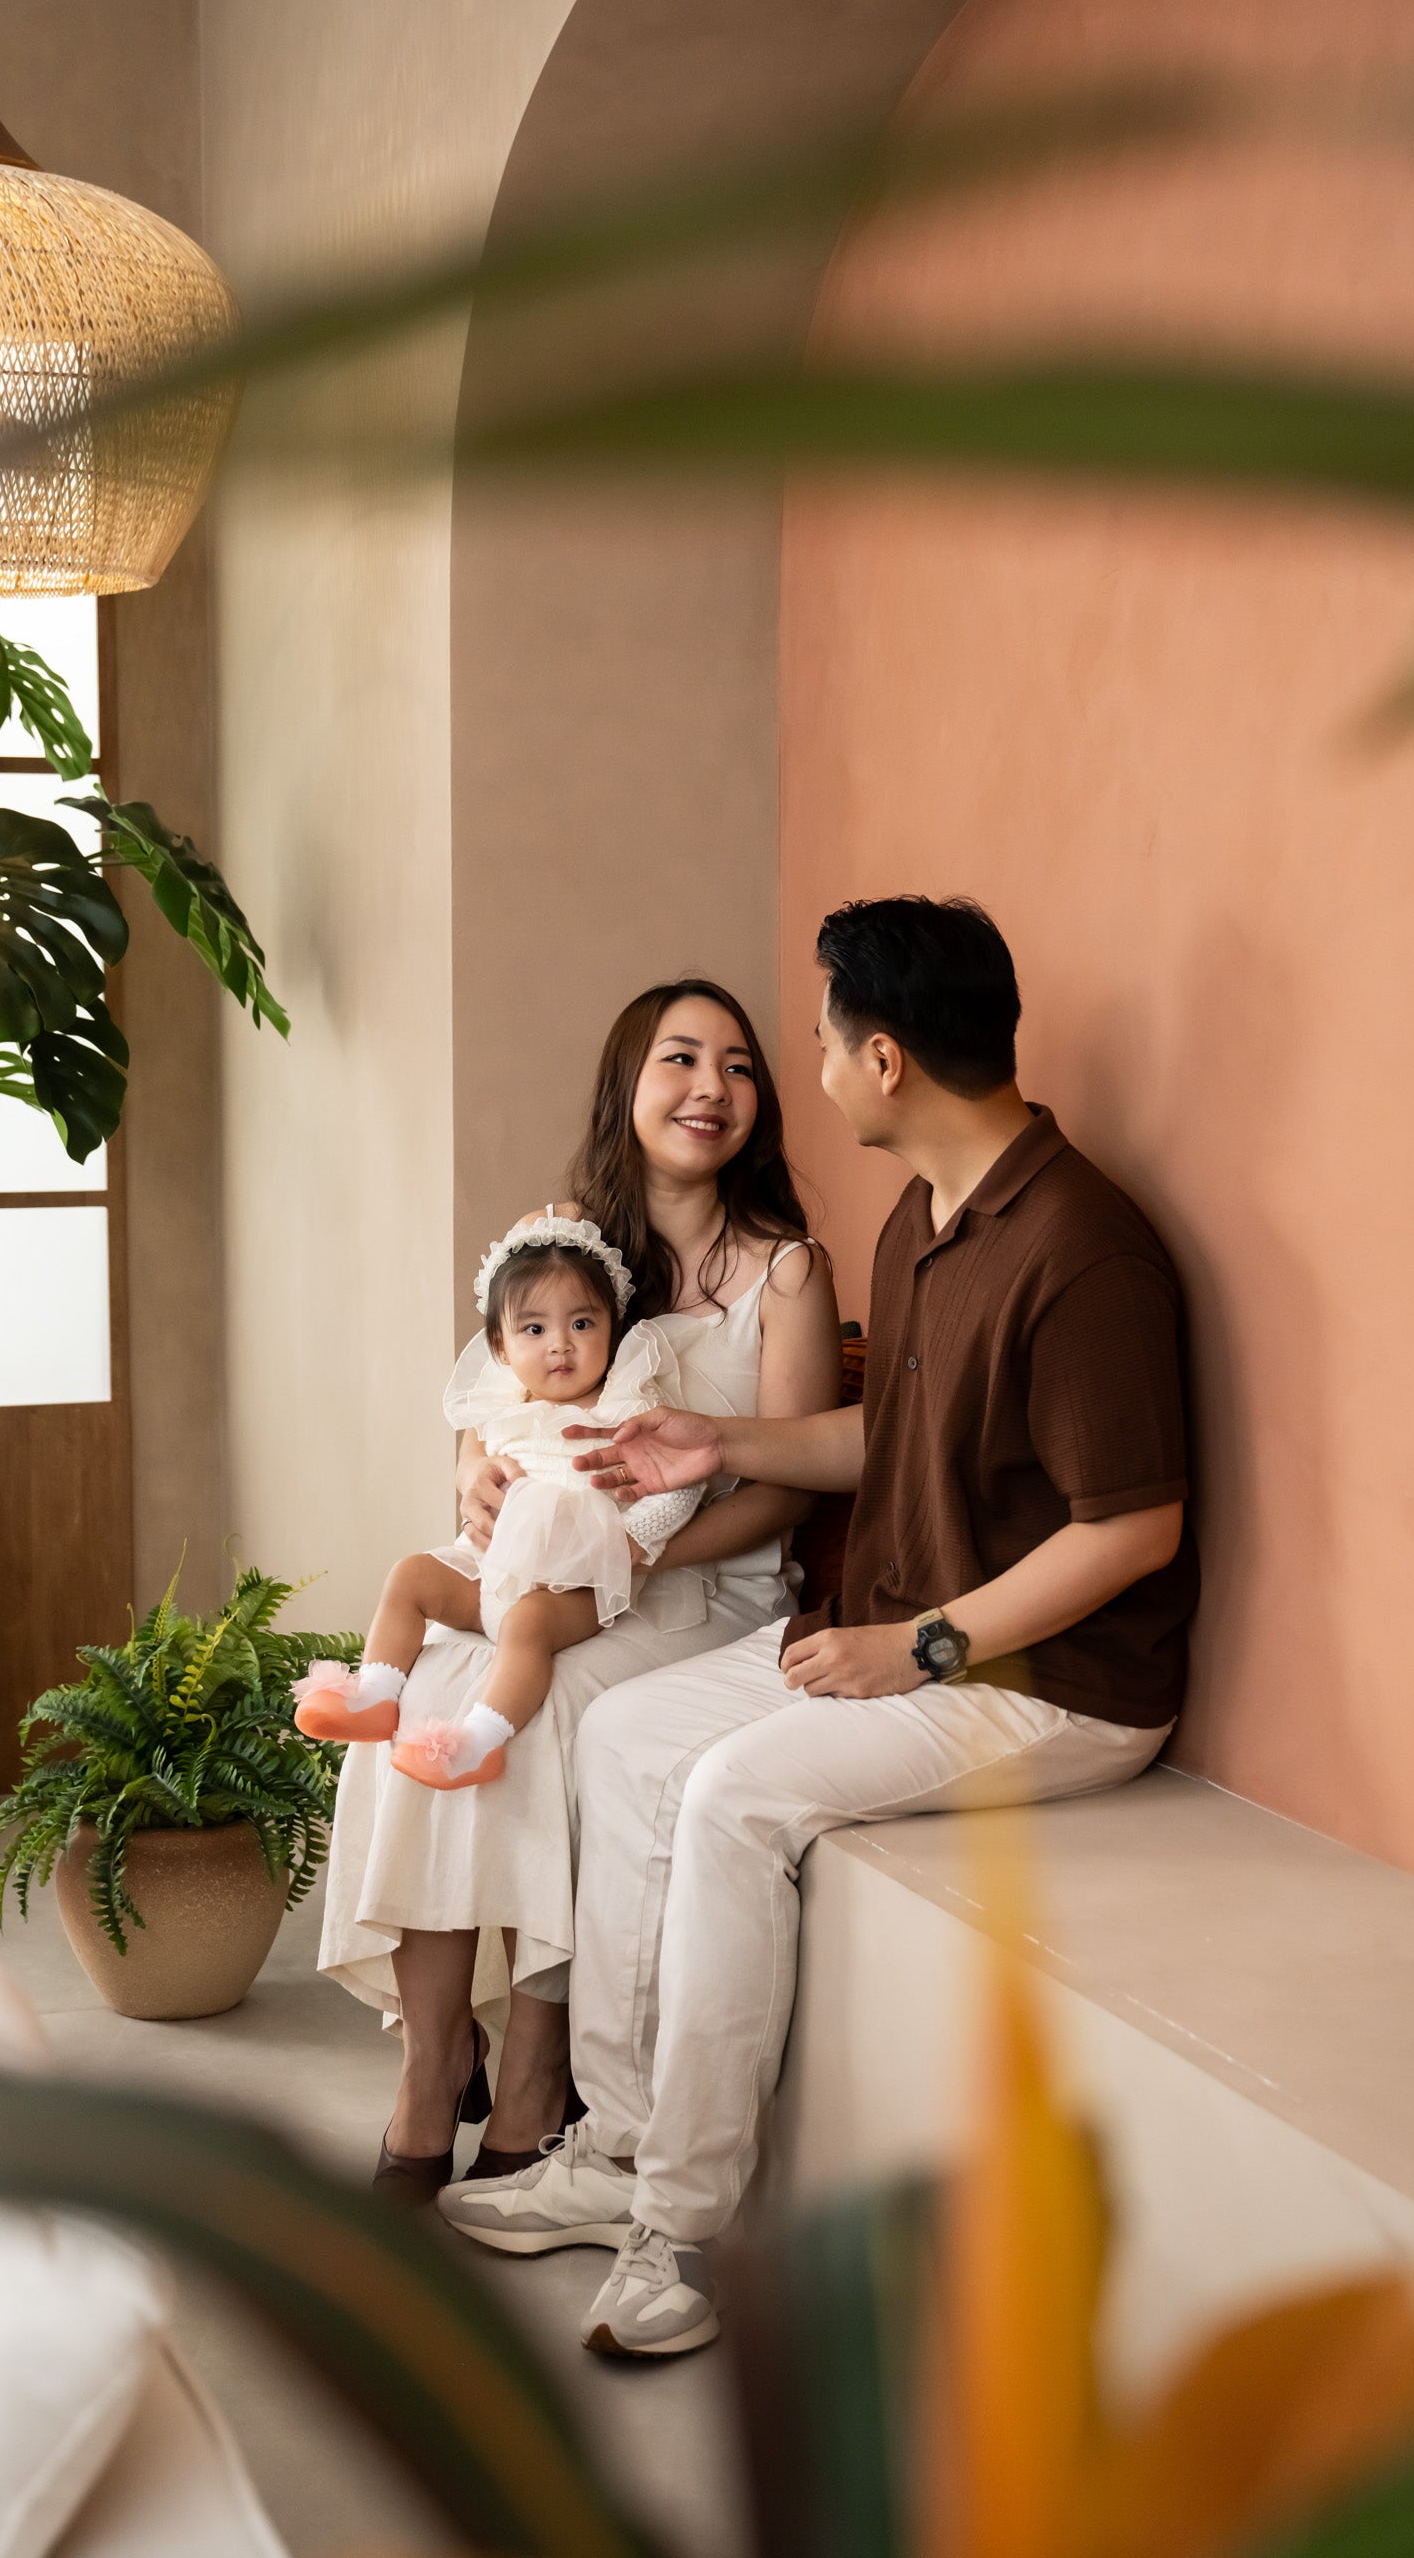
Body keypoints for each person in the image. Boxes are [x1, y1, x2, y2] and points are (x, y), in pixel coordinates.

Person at [438, 895, 1200, 2364]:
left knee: (731, 1796)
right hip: (906, 1623)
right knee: (624, 1732)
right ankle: (618, 2145)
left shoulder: (1083, 1250)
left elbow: (1132, 1530)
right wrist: (712, 1443)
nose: (814, 1066)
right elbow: (884, 1439)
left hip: (1051, 1682)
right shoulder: (925, 1218)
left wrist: (915, 1649)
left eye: (824, 1040)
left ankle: (682, 2232)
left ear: (886, 1059)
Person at [317, 980, 842, 2200]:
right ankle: (436, 2059)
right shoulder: (557, 1235)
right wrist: (472, 1475)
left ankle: (538, 2067)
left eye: (739, 1065)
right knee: (425, 1690)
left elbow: (789, 1486)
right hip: (541, 1569)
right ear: (627, 1084)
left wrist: (640, 1555)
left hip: (700, 1589)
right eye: (680, 1058)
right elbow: (490, 1399)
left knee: (545, 1710)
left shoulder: (788, 1272)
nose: (711, 1087)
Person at [293, 1219, 703, 1789]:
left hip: (573, 1584)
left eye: (582, 1323)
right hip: (488, 1570)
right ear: (500, 1347)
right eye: (534, 1329)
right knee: (410, 1575)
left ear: (612, 1330)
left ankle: (478, 1742)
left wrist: (634, 1539)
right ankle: (375, 1695)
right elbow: (477, 1477)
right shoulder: (502, 1409)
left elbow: (682, 1481)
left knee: (527, 1625)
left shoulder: (626, 1406)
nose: (560, 1344)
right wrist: (480, 1483)